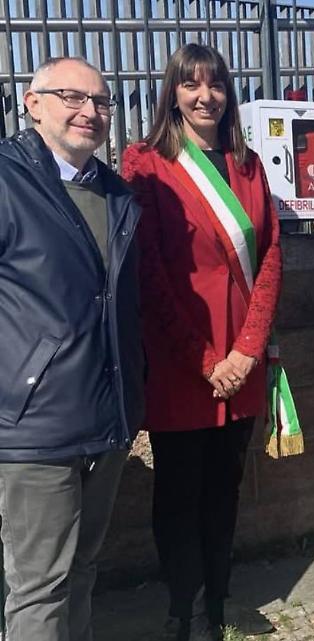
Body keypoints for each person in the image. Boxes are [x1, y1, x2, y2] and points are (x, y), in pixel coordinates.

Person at [120, 43, 282, 641]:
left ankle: (217, 601)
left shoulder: (249, 165)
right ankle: (182, 609)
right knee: (178, 493)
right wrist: (205, 359)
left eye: (214, 84)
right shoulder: (145, 162)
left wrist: (246, 351)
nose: (204, 96)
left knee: (224, 490)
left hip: (240, 362)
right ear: (174, 92)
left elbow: (270, 261)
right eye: (191, 85)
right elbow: (149, 273)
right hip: (181, 363)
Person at [0, 56, 144, 641]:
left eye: (103, 101)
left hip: (107, 417)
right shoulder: (8, 181)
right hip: (35, 425)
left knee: (82, 572)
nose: (91, 111)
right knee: (38, 587)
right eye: (73, 97)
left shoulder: (115, 193)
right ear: (32, 103)